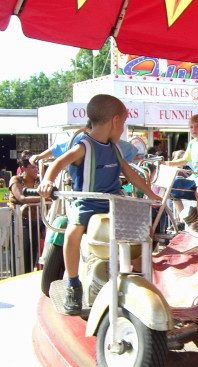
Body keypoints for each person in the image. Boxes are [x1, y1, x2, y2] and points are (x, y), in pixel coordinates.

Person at [37, 94, 161, 315]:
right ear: (115, 121)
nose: (122, 129)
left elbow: (130, 174)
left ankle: (139, 279)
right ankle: (74, 285)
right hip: (88, 202)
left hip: (113, 202)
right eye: (123, 123)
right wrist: (47, 181)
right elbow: (58, 163)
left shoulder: (114, 148)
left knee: (146, 231)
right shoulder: (83, 146)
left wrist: (151, 194)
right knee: (72, 235)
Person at [9, 150, 43, 274]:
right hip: (20, 221)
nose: (36, 170)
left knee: (33, 252)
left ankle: (28, 274)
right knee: (21, 252)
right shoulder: (16, 180)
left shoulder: (39, 180)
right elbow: (21, 198)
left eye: (37, 167)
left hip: (35, 220)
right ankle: (16, 276)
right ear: (23, 168)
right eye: (32, 167)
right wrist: (43, 198)